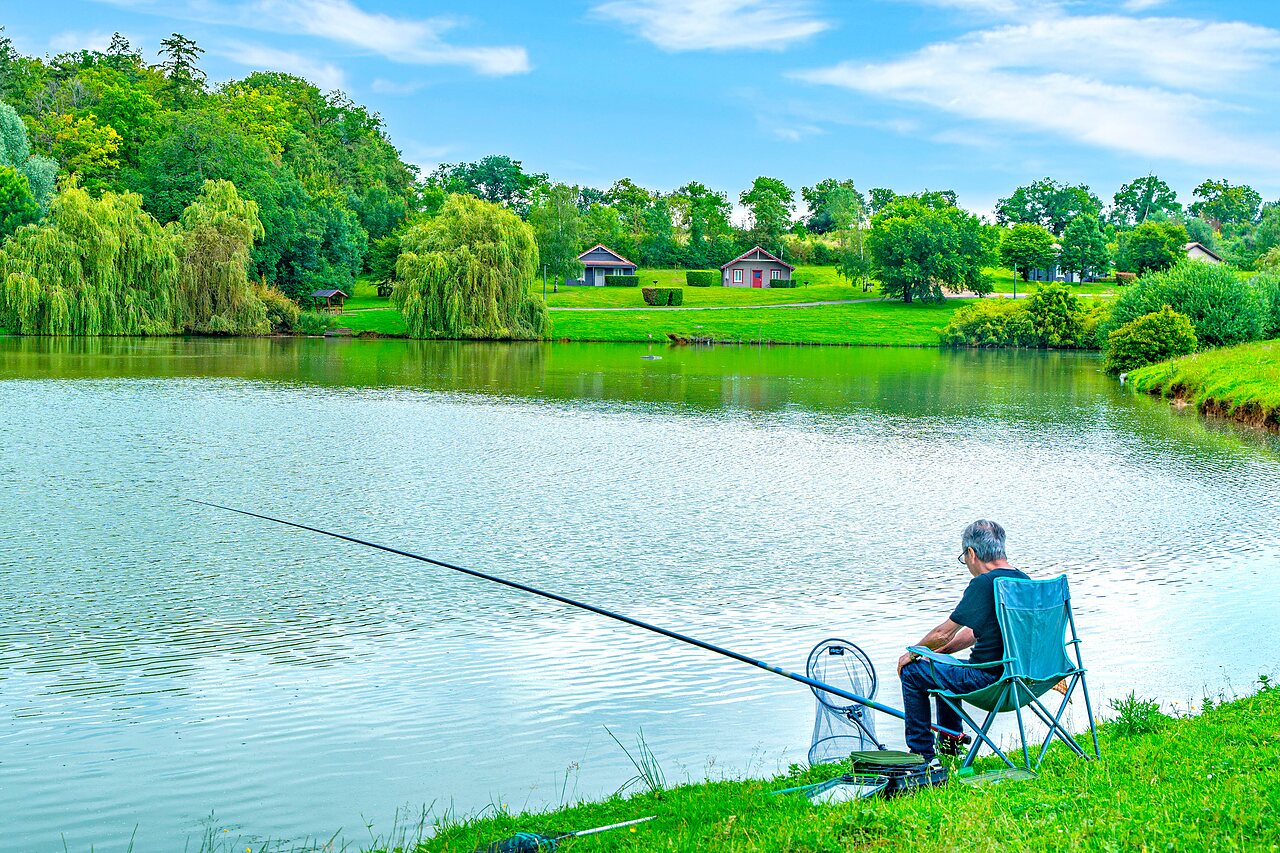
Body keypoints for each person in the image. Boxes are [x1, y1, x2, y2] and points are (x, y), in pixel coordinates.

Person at [897, 520, 1029, 763]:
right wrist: (942, 653)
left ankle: (920, 756)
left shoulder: (985, 583)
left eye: (964, 557)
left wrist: (913, 653)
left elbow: (942, 634)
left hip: (990, 680)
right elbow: (971, 633)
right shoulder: (1023, 581)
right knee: (945, 664)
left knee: (913, 672)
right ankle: (950, 748)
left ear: (971, 553)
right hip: (1024, 679)